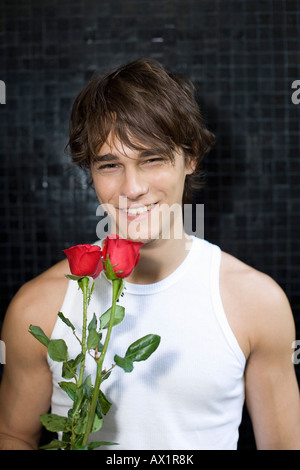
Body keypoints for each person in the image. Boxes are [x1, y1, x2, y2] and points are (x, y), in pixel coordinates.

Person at [0, 58, 299, 450]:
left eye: (152, 159)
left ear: (190, 158)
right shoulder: (37, 307)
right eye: (110, 165)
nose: (133, 186)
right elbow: (14, 436)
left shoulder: (257, 303)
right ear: (90, 172)